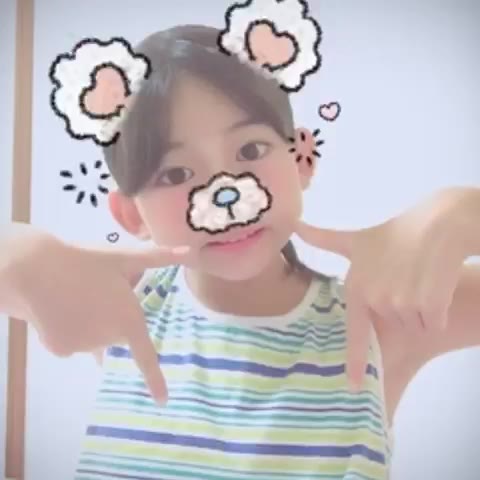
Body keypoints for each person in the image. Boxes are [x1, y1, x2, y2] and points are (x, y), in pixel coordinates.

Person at [1, 24, 479, 480]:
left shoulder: (380, 316)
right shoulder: (119, 308)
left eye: (250, 151)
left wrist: (459, 211)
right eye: (175, 174)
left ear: (301, 159)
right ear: (131, 215)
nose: (225, 193)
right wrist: (24, 255)